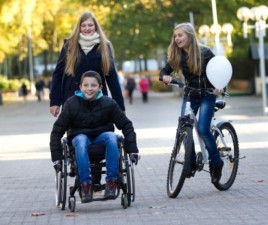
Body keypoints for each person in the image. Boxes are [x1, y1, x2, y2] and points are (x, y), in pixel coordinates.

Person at [50, 71, 140, 203]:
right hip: (79, 139)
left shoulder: (108, 103)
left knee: (111, 136)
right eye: (86, 85)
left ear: (100, 87)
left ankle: (111, 182)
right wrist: (57, 158)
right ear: (80, 87)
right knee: (80, 140)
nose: (89, 88)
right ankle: (85, 185)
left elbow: (126, 125)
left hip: (102, 139)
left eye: (93, 85)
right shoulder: (71, 104)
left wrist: (132, 149)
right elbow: (57, 131)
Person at [159, 22, 224, 183]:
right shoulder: (177, 55)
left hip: (208, 94)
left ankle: (217, 162)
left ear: (189, 35)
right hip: (190, 95)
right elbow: (163, 71)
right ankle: (191, 161)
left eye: (180, 35)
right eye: (175, 36)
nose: (176, 39)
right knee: (184, 127)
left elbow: (220, 70)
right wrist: (164, 77)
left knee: (202, 128)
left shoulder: (205, 52)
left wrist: (220, 87)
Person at [50, 11, 125, 117]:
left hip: (98, 99)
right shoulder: (69, 45)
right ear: (79, 28)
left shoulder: (104, 46)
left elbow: (112, 77)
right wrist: (54, 102)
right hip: (72, 100)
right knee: (75, 133)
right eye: (83, 25)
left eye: (90, 25)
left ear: (95, 27)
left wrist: (120, 106)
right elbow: (57, 74)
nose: (87, 28)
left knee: (100, 131)